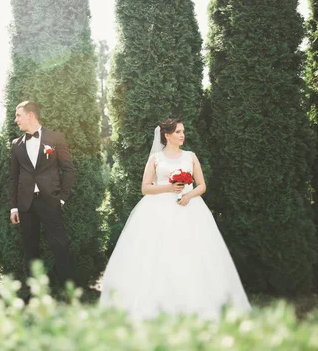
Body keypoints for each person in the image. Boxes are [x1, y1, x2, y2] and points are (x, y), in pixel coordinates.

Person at [99, 118, 251, 320]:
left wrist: (189, 195)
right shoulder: (155, 158)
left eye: (183, 131)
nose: (182, 135)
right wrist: (169, 188)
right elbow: (145, 188)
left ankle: (194, 303)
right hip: (158, 209)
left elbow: (202, 185)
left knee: (191, 253)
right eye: (178, 131)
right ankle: (157, 304)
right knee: (159, 253)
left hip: (190, 208)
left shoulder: (190, 156)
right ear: (167, 135)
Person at [9, 101, 77, 289]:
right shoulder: (16, 144)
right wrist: (14, 206)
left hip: (50, 202)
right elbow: (13, 177)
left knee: (59, 246)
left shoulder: (55, 139)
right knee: (30, 249)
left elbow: (69, 170)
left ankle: (69, 291)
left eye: (18, 115)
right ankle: (34, 293)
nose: (16, 120)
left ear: (31, 115)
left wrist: (62, 198)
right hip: (26, 205)